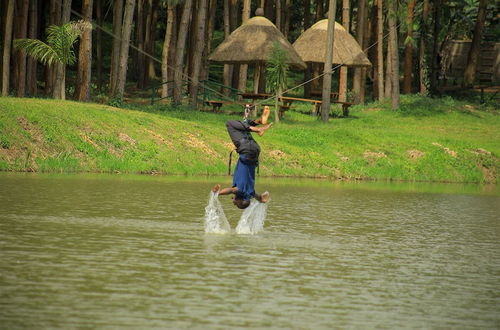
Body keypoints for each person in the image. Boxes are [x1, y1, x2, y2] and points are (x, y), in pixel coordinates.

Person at [212, 105, 273, 209]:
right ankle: (257, 129)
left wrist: (262, 199)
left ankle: (258, 121)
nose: (233, 200)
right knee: (230, 123)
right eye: (235, 202)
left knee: (243, 127)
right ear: (239, 199)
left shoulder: (251, 193)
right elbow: (230, 191)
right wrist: (218, 193)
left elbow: (260, 198)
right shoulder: (239, 191)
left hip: (254, 151)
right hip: (246, 150)